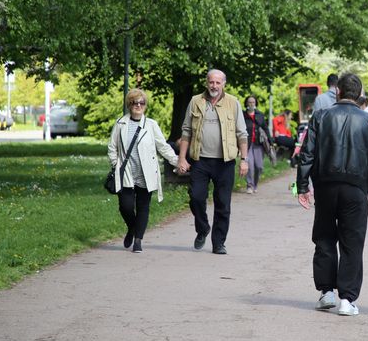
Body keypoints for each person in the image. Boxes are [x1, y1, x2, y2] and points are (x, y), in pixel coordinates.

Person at [297, 73, 368, 317]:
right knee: (352, 242)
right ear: (359, 94)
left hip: (326, 185)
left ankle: (326, 291)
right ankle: (347, 300)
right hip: (356, 188)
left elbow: (307, 153)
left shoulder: (320, 116)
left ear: (337, 91)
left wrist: (303, 186)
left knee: (324, 237)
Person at [177, 69, 248, 255]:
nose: (214, 86)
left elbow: (242, 134)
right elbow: (186, 132)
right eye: (211, 82)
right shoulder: (195, 101)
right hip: (200, 160)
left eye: (218, 82)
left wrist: (244, 160)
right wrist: (182, 158)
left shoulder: (233, 103)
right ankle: (202, 228)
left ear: (223, 83)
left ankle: (219, 243)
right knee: (196, 197)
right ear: (206, 83)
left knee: (223, 203)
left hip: (225, 162)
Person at [108, 88, 180, 253]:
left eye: (141, 103)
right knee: (125, 207)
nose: (138, 105)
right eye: (134, 102)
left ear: (145, 105)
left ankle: (138, 240)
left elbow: (163, 146)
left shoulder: (151, 125)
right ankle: (132, 228)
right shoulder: (120, 124)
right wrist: (115, 164)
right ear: (129, 105)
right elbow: (112, 147)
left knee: (143, 207)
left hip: (146, 173)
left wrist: (177, 161)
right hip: (125, 173)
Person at [243, 95, 271, 194]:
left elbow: (266, 128)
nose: (251, 104)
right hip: (247, 144)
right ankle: (249, 185)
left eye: (253, 102)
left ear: (255, 104)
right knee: (250, 165)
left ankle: (255, 184)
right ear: (246, 103)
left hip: (258, 144)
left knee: (259, 166)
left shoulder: (260, 115)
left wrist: (270, 141)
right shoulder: (243, 115)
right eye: (249, 102)